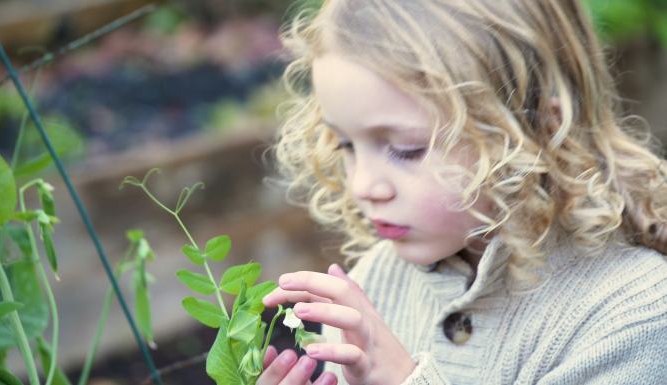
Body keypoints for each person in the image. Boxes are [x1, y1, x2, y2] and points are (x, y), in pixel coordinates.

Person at [258, 1, 667, 384]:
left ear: (541, 129)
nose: (363, 185)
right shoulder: (371, 286)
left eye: (407, 149)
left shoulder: (633, 315)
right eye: (345, 145)